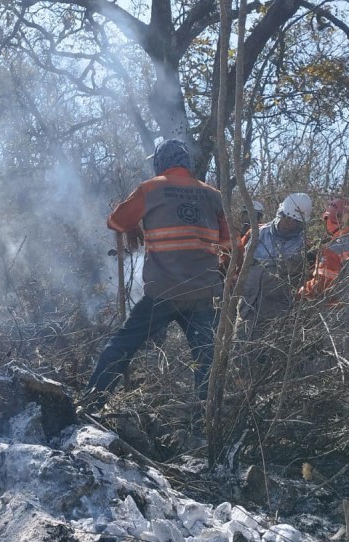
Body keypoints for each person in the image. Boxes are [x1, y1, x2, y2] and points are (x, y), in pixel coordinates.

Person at [81, 139, 230, 413]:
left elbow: (114, 221)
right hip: (202, 294)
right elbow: (229, 242)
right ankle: (207, 424)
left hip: (162, 293)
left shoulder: (151, 189)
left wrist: (134, 225)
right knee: (207, 360)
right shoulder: (212, 195)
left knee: (122, 345)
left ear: (159, 163)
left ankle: (90, 404)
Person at [237, 193, 311, 333]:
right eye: (288, 218)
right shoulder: (255, 234)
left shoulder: (304, 246)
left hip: (278, 317)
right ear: (280, 213)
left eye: (296, 221)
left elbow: (306, 281)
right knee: (239, 350)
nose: (291, 224)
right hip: (247, 308)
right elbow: (237, 264)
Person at [299, 196, 349, 302]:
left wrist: (299, 292)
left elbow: (320, 287)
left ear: (329, 218)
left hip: (336, 314)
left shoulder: (333, 250)